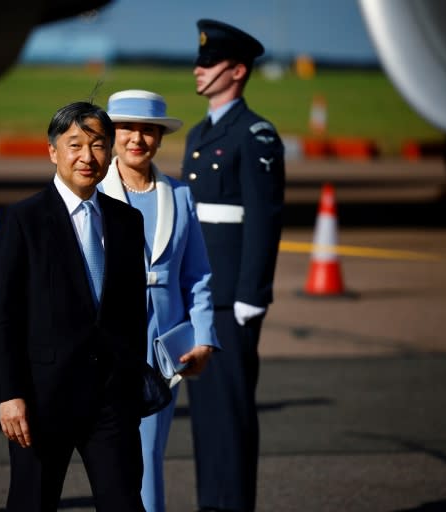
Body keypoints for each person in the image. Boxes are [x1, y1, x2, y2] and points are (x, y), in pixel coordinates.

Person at [0, 101, 149, 512]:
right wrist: (9, 393)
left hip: (111, 401)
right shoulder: (21, 220)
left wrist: (132, 387)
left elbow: (132, 315)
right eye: (74, 144)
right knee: (33, 503)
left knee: (125, 503)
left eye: (98, 145)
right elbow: (1, 315)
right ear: (52, 150)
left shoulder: (128, 222)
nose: (86, 157)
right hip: (41, 400)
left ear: (111, 154)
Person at [181, 19, 286, 512]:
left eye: (210, 61)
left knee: (232, 414)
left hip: (231, 300)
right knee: (205, 417)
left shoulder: (255, 134)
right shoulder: (201, 133)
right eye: (200, 60)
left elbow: (264, 219)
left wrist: (251, 294)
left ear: (238, 70)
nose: (199, 69)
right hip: (201, 294)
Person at [98, 89, 219, 512]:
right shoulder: (91, 194)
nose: (137, 138)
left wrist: (203, 337)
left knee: (148, 456)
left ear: (160, 138)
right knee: (109, 459)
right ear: (112, 133)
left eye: (148, 130)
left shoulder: (179, 196)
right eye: (127, 127)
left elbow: (198, 275)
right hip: (104, 346)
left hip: (161, 350)